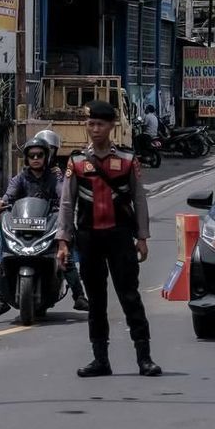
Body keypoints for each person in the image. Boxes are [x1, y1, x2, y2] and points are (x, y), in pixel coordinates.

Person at [57, 101, 160, 377]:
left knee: (130, 296)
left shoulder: (127, 160)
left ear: (112, 126)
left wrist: (142, 237)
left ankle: (144, 358)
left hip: (120, 237)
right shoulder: (77, 161)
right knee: (97, 301)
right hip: (89, 238)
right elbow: (67, 204)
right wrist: (63, 241)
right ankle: (100, 359)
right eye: (91, 124)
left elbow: (139, 198)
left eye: (100, 124)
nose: (95, 129)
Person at [0, 136, 89, 319]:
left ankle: (79, 296)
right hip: (22, 225)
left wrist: (65, 202)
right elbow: (9, 196)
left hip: (47, 223)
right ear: (27, 158)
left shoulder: (54, 177)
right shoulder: (20, 178)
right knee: (4, 253)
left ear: (46, 157)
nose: (35, 159)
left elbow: (63, 194)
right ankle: (2, 299)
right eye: (32, 155)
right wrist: (0, 203)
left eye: (39, 155)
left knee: (64, 254)